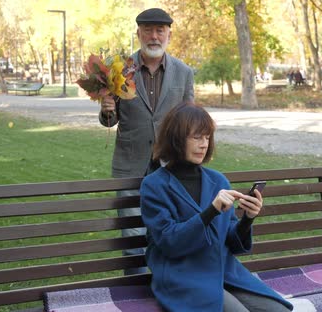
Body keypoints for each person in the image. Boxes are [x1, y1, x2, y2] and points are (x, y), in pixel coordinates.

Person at [140, 104, 293, 312]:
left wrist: (247, 218)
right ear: (176, 138)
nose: (204, 144)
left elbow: (232, 242)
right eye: (196, 137)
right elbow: (169, 242)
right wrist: (210, 211)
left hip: (224, 273)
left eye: (207, 137)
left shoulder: (218, 180)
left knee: (280, 311)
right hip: (184, 277)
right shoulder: (154, 185)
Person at [99, 8, 195, 275]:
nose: (154, 36)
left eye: (160, 31)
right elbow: (109, 120)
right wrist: (107, 109)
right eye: (148, 30)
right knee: (132, 238)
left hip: (171, 166)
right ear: (138, 33)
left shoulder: (184, 72)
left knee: (169, 233)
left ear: (169, 34)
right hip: (130, 166)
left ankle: (166, 288)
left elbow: (191, 120)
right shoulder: (118, 70)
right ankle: (136, 295)